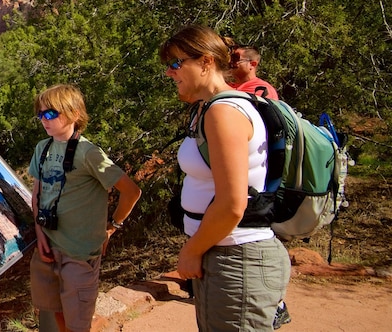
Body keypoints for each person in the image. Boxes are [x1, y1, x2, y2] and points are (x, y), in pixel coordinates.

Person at [161, 25, 291, 331]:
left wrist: (191, 251)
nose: (169, 73)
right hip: (223, 255)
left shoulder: (224, 112)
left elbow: (233, 203)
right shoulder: (208, 109)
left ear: (206, 62)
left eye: (176, 63)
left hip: (238, 259)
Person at [28, 84, 141, 332]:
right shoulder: (42, 148)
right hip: (48, 247)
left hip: (79, 253)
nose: (43, 120)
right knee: (53, 309)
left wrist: (112, 227)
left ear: (74, 113)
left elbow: (131, 191)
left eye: (50, 113)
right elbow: (37, 194)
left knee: (78, 323)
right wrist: (40, 236)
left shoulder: (88, 152)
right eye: (40, 114)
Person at [228, 42, 292, 329]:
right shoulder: (242, 88)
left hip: (257, 177)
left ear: (253, 63)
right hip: (258, 174)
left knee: (256, 231)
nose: (232, 62)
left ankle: (275, 303)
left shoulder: (257, 90)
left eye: (237, 59)